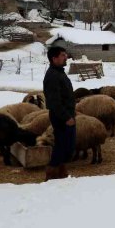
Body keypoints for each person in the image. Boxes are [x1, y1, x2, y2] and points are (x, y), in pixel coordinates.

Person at [43, 46, 76, 181]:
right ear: (54, 58)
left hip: (66, 114)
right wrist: (66, 117)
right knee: (61, 145)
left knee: (66, 146)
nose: (66, 57)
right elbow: (54, 101)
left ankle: (61, 173)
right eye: (63, 55)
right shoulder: (52, 76)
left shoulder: (59, 72)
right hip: (61, 117)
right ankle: (51, 174)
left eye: (65, 55)